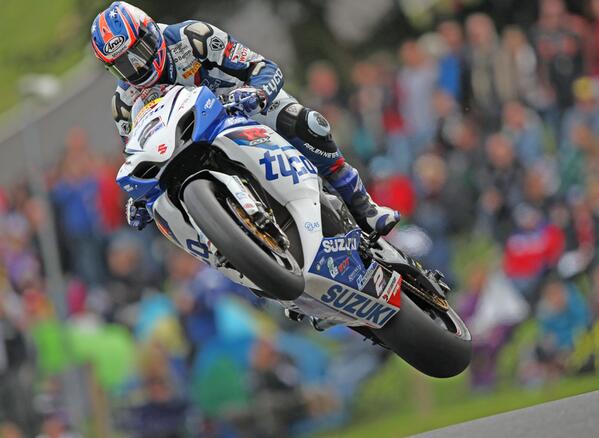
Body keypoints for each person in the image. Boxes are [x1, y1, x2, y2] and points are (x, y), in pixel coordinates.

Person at [90, 1, 400, 235]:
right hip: (190, 151)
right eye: (123, 65)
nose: (137, 67)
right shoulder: (124, 105)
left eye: (139, 51)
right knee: (168, 212)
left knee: (306, 124)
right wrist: (140, 199)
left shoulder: (193, 36)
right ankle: (246, 263)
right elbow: (137, 155)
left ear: (150, 31)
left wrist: (257, 93)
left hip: (241, 110)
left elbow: (264, 67)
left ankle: (364, 207)